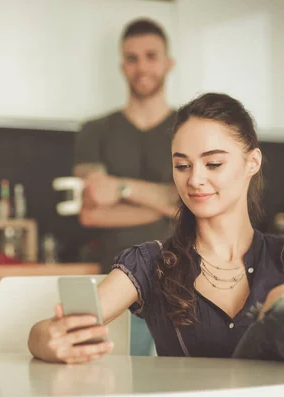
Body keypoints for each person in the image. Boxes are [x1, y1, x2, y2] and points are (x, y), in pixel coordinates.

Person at [29, 93, 284, 397]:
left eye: (213, 164)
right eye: (182, 165)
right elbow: (58, 327)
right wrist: (47, 339)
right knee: (280, 300)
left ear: (251, 163)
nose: (195, 180)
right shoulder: (151, 261)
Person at [74, 18, 178, 356]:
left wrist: (120, 188)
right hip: (114, 288)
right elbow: (91, 213)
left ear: (168, 63)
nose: (141, 66)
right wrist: (166, 201)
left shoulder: (189, 128)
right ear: (122, 66)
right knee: (115, 384)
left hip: (182, 286)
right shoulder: (94, 131)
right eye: (132, 58)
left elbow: (187, 204)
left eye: (151, 55)